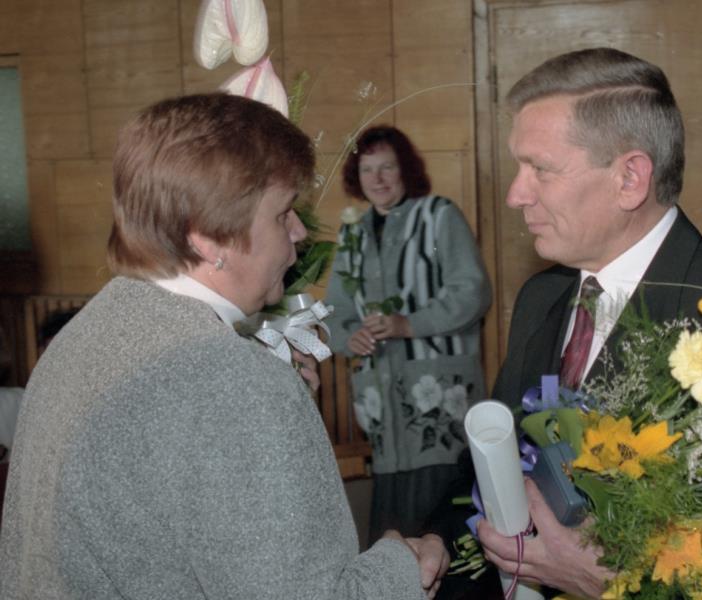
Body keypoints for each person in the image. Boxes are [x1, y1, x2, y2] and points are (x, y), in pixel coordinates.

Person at [0, 93, 447, 599]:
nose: (299, 232)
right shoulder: (231, 378)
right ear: (208, 238)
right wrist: (401, 566)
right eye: (282, 214)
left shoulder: (86, 331)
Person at [475, 47, 702, 598]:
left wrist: (610, 584)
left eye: (540, 169)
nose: (515, 195)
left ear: (630, 178)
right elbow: (493, 466)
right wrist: (434, 543)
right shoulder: (540, 298)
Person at [324, 125, 492, 545]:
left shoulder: (439, 215)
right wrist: (350, 337)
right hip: (382, 411)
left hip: (438, 401)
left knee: (442, 523)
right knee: (394, 532)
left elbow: (471, 292)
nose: (378, 179)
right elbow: (336, 314)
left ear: (406, 170)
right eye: (367, 170)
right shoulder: (352, 234)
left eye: (388, 168)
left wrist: (409, 324)